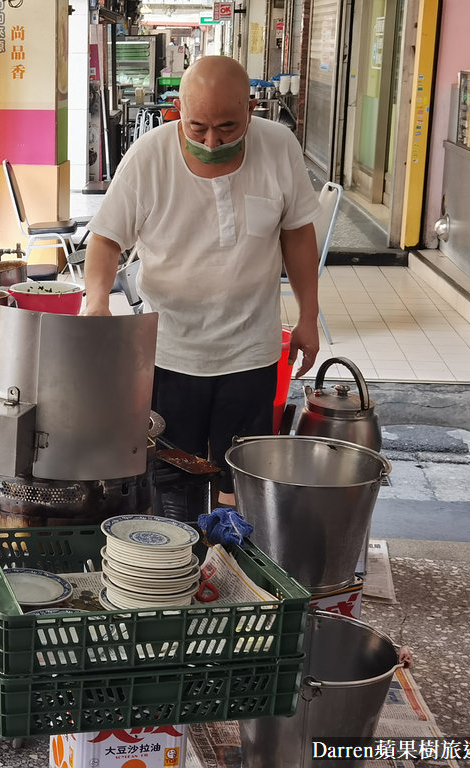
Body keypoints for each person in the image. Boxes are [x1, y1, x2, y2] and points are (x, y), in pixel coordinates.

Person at [82, 55, 321, 515]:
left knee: (245, 477)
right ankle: (181, 568)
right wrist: (97, 303)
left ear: (251, 108)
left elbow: (297, 234)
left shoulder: (279, 146)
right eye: (198, 128)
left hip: (251, 350)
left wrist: (308, 317)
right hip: (171, 352)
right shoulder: (150, 157)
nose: (212, 141)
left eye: (228, 128)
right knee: (174, 478)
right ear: (177, 110)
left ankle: (234, 566)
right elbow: (106, 238)